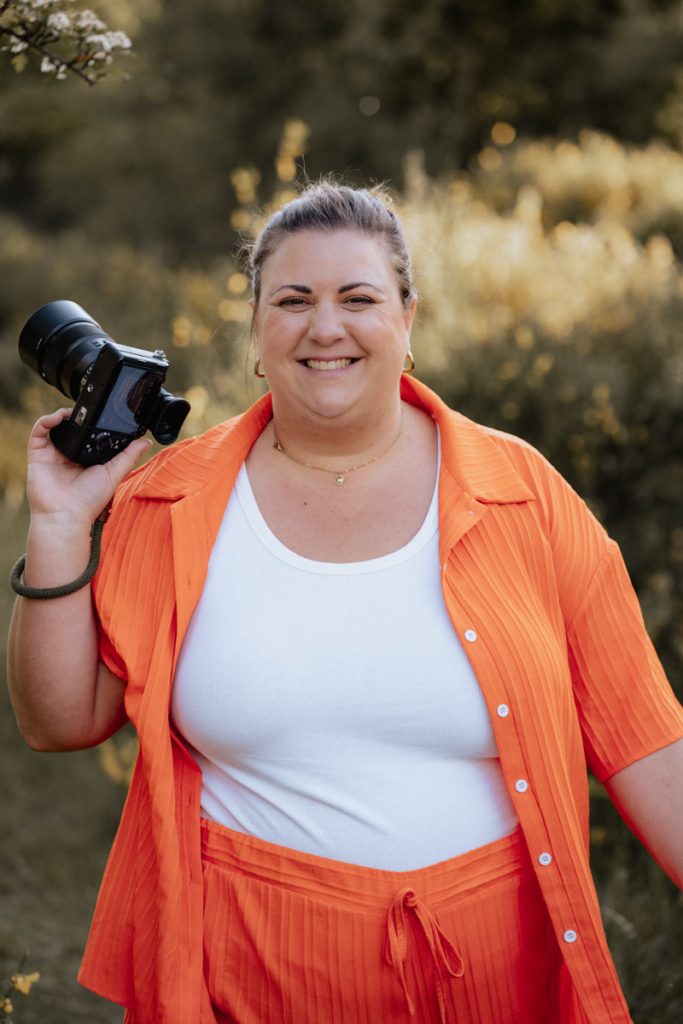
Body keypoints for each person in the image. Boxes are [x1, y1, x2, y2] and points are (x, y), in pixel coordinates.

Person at [7, 181, 683, 1024]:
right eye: (292, 300)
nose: (325, 327)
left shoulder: (524, 495)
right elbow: (59, 720)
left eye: (357, 298)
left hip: (497, 985)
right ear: (257, 330)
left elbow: (649, 747)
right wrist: (63, 522)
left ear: (407, 320)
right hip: (246, 980)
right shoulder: (168, 503)